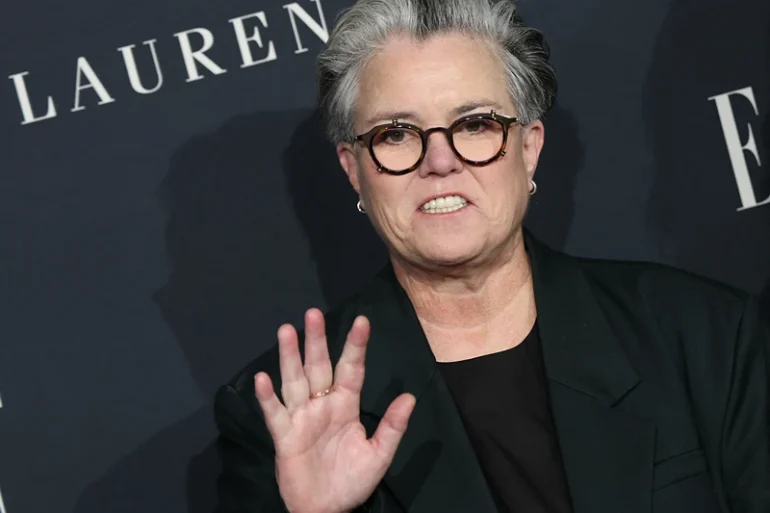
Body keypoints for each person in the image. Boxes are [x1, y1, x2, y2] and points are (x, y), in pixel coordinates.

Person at [213, 0, 770, 511]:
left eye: (475, 124)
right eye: (396, 134)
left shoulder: (705, 337)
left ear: (529, 149)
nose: (439, 161)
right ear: (353, 170)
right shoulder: (280, 418)